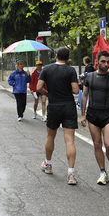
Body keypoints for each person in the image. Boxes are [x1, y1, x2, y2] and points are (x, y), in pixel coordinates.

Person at [37, 47, 80, 185]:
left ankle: (48, 164)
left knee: (50, 136)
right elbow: (75, 90)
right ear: (68, 58)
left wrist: (48, 94)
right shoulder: (71, 70)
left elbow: (38, 87)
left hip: (54, 106)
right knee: (70, 141)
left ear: (55, 56)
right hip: (68, 106)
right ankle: (71, 174)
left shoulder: (47, 69)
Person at [81, 51, 109, 185]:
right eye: (103, 61)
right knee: (97, 144)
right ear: (97, 61)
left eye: (108, 62)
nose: (106, 64)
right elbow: (84, 96)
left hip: (107, 114)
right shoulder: (90, 77)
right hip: (92, 114)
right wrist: (83, 114)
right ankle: (103, 172)